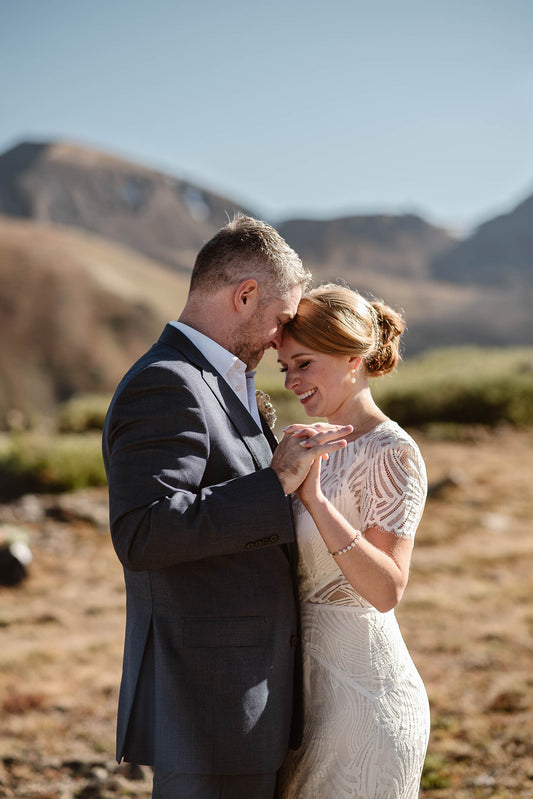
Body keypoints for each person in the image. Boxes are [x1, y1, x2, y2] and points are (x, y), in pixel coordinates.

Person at [102, 216, 352, 799]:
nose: (282, 337)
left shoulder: (220, 379)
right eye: (282, 318)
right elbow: (143, 533)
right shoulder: (166, 382)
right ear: (245, 296)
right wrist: (276, 482)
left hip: (244, 694)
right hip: (208, 699)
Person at [276, 284, 430, 799]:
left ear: (352, 358)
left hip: (367, 703)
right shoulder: (308, 444)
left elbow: (386, 590)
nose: (292, 381)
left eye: (303, 363)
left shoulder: (393, 451)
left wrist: (316, 502)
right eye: (285, 369)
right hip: (301, 701)